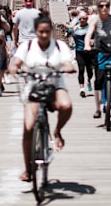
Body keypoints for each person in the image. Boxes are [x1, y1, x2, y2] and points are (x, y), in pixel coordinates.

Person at [7, 15, 75, 182]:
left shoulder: (59, 46)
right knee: (29, 127)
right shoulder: (27, 46)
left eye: (47, 32)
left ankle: (57, 131)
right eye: (41, 32)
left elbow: (68, 63)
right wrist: (14, 68)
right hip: (34, 86)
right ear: (36, 32)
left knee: (66, 105)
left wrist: (68, 67)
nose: (44, 35)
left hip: (55, 84)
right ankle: (29, 170)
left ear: (51, 31)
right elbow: (16, 61)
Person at [69, 10, 94, 97]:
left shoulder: (91, 28)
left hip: (89, 52)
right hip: (79, 51)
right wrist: (72, 41)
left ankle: (89, 80)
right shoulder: (75, 28)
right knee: (81, 70)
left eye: (84, 18)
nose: (82, 20)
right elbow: (70, 33)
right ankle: (82, 89)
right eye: (80, 19)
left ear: (87, 19)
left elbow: (94, 38)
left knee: (90, 71)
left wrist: (92, 41)